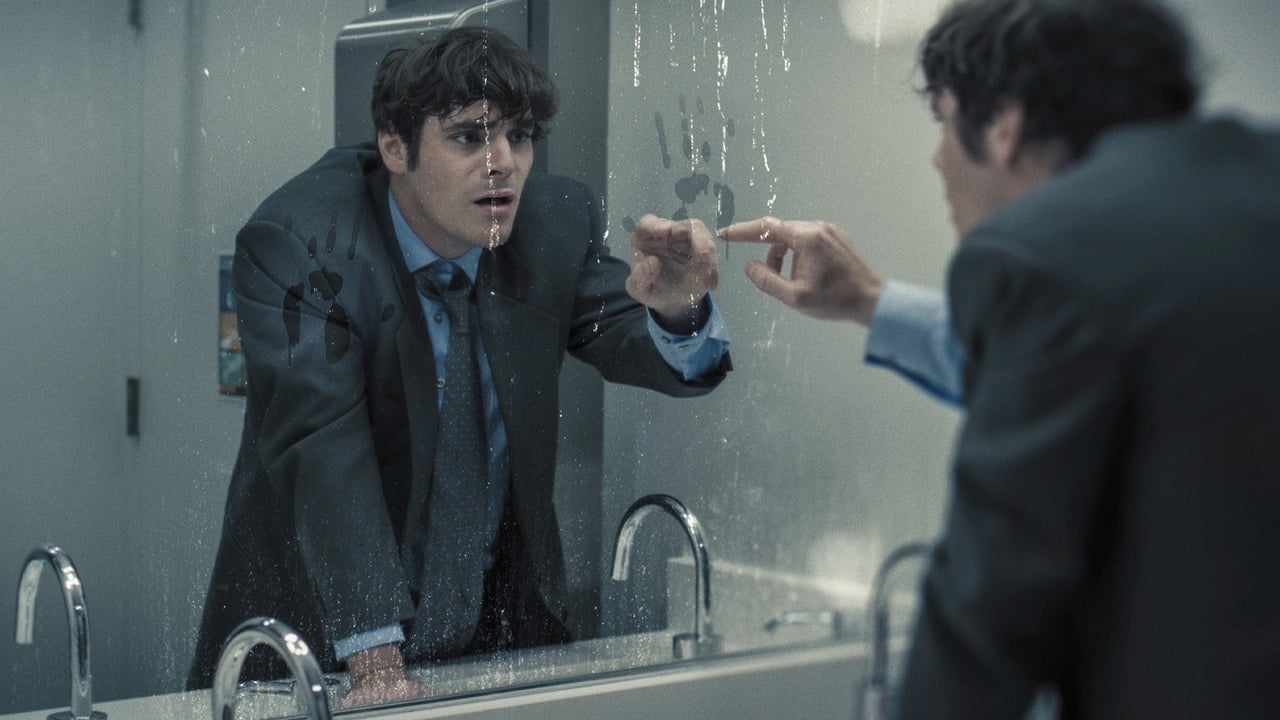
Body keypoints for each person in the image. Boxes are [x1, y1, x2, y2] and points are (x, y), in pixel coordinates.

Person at [724, 0, 1280, 717]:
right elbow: (1108, 370)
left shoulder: (1042, 253)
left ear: (1004, 125)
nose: (937, 158)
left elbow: (986, 621)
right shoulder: (1245, 193)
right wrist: (867, 301)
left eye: (943, 119)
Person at [189, 26, 731, 707]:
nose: (502, 164)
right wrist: (377, 665)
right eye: (469, 138)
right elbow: (324, 446)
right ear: (395, 147)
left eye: (519, 137)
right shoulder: (305, 240)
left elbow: (644, 341)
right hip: (320, 648)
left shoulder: (551, 224)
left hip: (489, 641)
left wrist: (679, 309)